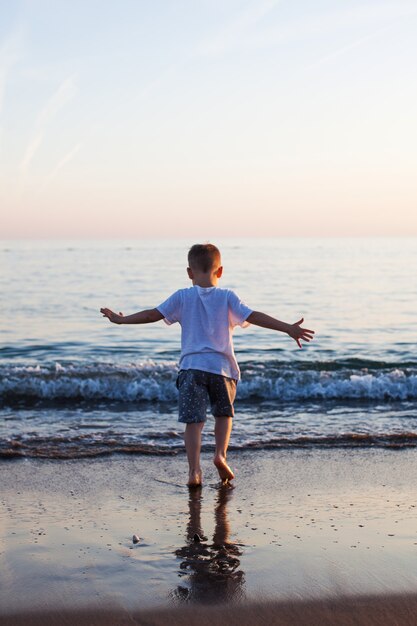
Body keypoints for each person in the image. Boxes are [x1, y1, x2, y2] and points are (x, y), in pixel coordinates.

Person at [100, 243, 314, 487]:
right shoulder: (227, 297)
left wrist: (121, 320)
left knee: (194, 422)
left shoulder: (182, 296)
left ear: (189, 272)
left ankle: (194, 472)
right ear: (220, 271)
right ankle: (220, 455)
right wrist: (287, 327)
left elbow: (152, 314)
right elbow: (253, 315)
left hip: (192, 369)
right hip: (223, 369)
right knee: (224, 414)